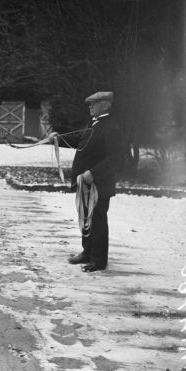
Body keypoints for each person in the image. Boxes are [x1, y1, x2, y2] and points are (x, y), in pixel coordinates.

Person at [68, 91, 124, 272]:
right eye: (90, 103)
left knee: (98, 220)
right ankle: (87, 252)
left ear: (106, 105)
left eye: (94, 103)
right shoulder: (94, 124)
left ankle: (99, 260)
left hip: (99, 184)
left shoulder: (111, 127)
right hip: (85, 184)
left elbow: (115, 158)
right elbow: (80, 141)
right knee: (86, 218)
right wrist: (57, 137)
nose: (90, 106)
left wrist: (93, 173)